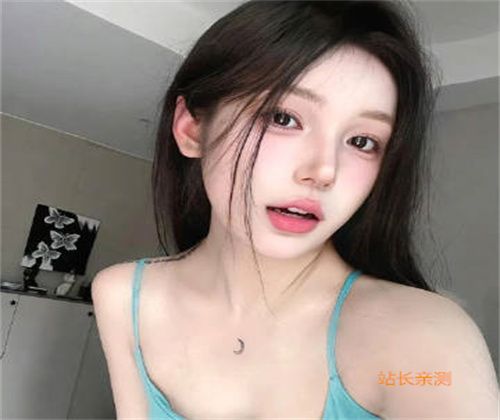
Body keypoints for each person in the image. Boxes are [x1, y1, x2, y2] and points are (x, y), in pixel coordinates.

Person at [92, 1, 499, 418]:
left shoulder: (421, 343)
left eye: (362, 141)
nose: (324, 171)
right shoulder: (124, 298)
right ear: (192, 129)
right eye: (283, 117)